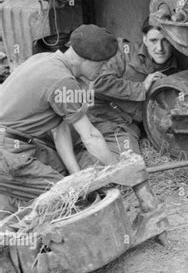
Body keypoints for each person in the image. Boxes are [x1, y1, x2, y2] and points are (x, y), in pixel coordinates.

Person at [0, 24, 119, 220]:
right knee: (71, 201)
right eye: (102, 63)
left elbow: (60, 131)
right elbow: (90, 136)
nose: (104, 69)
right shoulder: (64, 82)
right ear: (86, 60)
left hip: (15, 144)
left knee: (71, 186)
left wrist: (76, 178)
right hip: (8, 154)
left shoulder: (45, 59)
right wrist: (118, 172)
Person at [82, 17, 179, 161]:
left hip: (127, 125)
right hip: (100, 113)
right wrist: (141, 87)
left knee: (128, 160)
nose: (160, 48)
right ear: (145, 40)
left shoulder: (175, 71)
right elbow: (98, 83)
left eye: (166, 41)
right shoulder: (124, 51)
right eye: (153, 41)